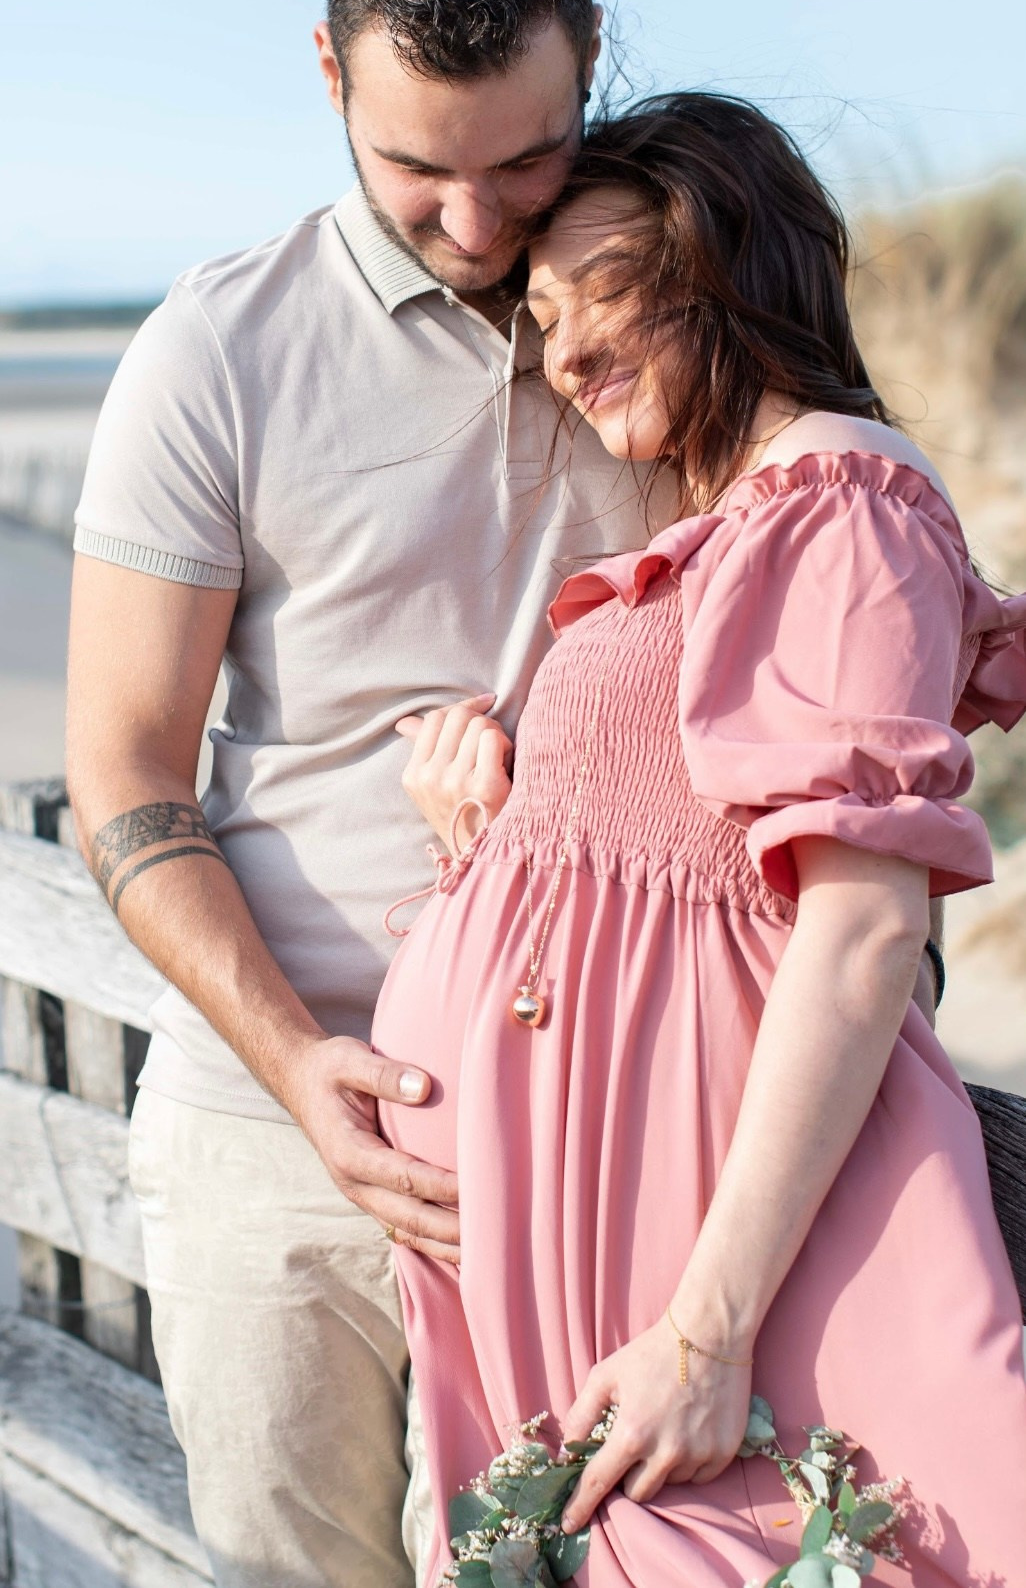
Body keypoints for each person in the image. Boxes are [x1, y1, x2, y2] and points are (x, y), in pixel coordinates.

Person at [64, 0, 681, 1588]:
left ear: (591, 49)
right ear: (329, 76)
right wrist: (297, 1068)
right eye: (417, 167)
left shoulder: (682, 320)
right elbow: (123, 771)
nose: (480, 227)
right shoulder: (216, 349)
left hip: (604, 1125)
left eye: (529, 156)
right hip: (282, 1132)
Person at [374, 92, 1026, 1586]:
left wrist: (703, 1327)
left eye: (604, 292)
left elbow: (859, 927)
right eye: (537, 317)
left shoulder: (840, 503)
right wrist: (489, 827)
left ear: (736, 266)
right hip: (589, 1243)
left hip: (707, 1270)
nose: (566, 349)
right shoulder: (733, 524)